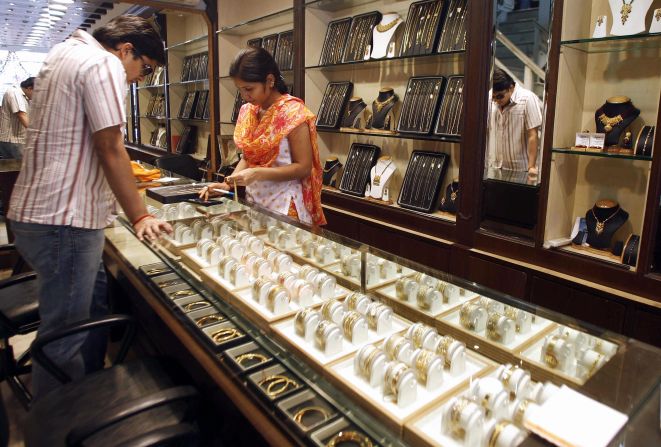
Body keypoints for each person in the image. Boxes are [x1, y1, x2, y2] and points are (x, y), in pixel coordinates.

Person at [8, 15, 172, 398]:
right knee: (63, 337)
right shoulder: (103, 64)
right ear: (126, 49)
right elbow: (110, 145)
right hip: (64, 219)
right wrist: (141, 214)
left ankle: (90, 387)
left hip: (38, 213)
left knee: (91, 304)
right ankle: (57, 424)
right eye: (144, 69)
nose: (138, 79)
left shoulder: (63, 53)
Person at [200, 47, 326, 226]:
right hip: (255, 199)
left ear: (270, 80)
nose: (244, 96)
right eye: (240, 90)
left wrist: (258, 173)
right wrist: (227, 183)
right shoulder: (248, 111)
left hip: (285, 202)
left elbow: (304, 167)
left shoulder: (293, 113)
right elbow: (248, 157)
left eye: (249, 89)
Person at [488, 67, 543, 175]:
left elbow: (533, 135)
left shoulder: (527, 99)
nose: (496, 101)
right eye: (494, 98)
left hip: (520, 170)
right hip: (494, 168)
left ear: (511, 87)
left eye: (500, 96)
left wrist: (531, 166)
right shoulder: (491, 98)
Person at [0, 77, 34, 159]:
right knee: (20, 168)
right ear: (30, 88)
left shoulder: (25, 97)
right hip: (13, 141)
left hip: (18, 141)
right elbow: (21, 114)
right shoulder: (15, 92)